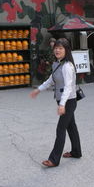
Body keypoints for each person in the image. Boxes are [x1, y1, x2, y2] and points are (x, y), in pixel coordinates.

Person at [30, 38, 82, 167]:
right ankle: (76, 152)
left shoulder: (67, 66)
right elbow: (51, 80)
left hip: (69, 101)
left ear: (66, 50)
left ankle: (54, 159)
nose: (57, 50)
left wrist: (62, 104)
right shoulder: (57, 64)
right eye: (56, 48)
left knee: (61, 128)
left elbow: (69, 87)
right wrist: (39, 89)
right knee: (71, 126)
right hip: (64, 100)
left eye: (61, 48)